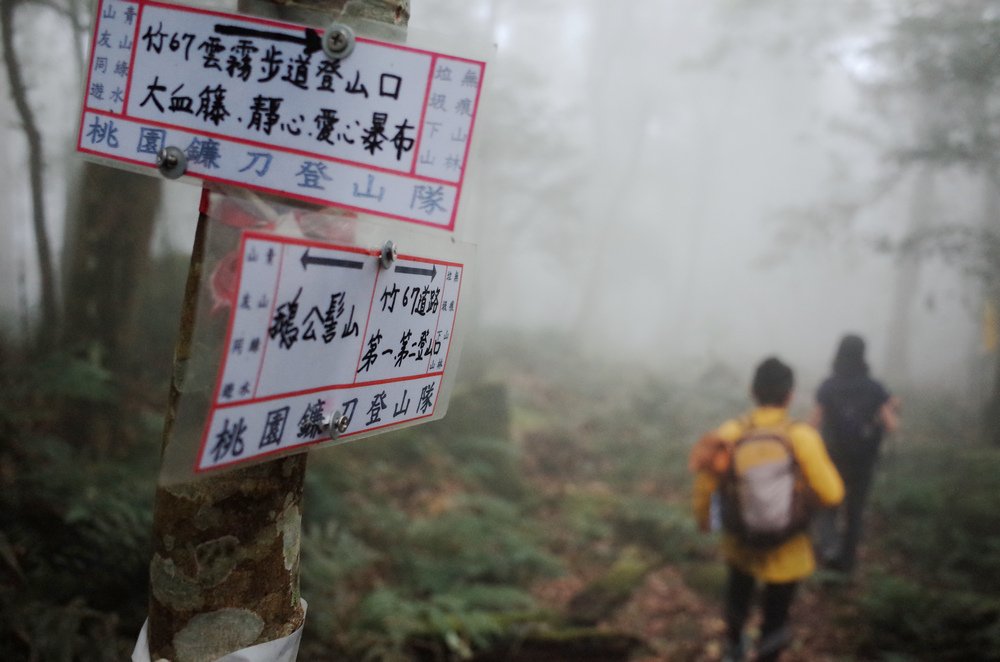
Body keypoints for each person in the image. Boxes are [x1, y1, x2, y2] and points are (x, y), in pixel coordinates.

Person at [691, 357, 844, 662]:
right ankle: (768, 654)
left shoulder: (731, 431)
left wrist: (706, 522)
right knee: (777, 614)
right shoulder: (801, 436)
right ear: (790, 395)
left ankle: (734, 649)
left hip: (740, 543)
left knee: (737, 598)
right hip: (789, 548)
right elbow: (833, 493)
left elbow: (707, 485)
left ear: (752, 391)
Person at [811, 334, 898, 574]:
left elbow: (813, 424)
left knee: (828, 504)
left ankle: (830, 550)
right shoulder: (875, 387)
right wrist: (888, 411)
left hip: (832, 458)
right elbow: (891, 425)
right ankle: (847, 564)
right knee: (855, 511)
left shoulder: (828, 386)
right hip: (864, 460)